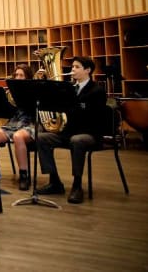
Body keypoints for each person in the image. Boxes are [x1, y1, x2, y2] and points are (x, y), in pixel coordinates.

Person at [36, 56, 106, 204]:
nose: (72, 69)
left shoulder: (97, 91)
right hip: (69, 133)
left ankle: (77, 185)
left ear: (88, 70)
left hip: (89, 134)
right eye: (72, 67)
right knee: (41, 137)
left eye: (77, 67)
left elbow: (94, 117)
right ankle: (54, 181)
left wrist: (71, 106)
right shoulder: (69, 88)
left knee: (77, 140)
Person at [0, 64, 35, 190]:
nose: (18, 77)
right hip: (14, 123)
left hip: (31, 123)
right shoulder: (12, 91)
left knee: (18, 137)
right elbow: (8, 112)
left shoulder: (33, 90)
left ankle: (24, 175)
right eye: (16, 75)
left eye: (21, 75)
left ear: (27, 77)